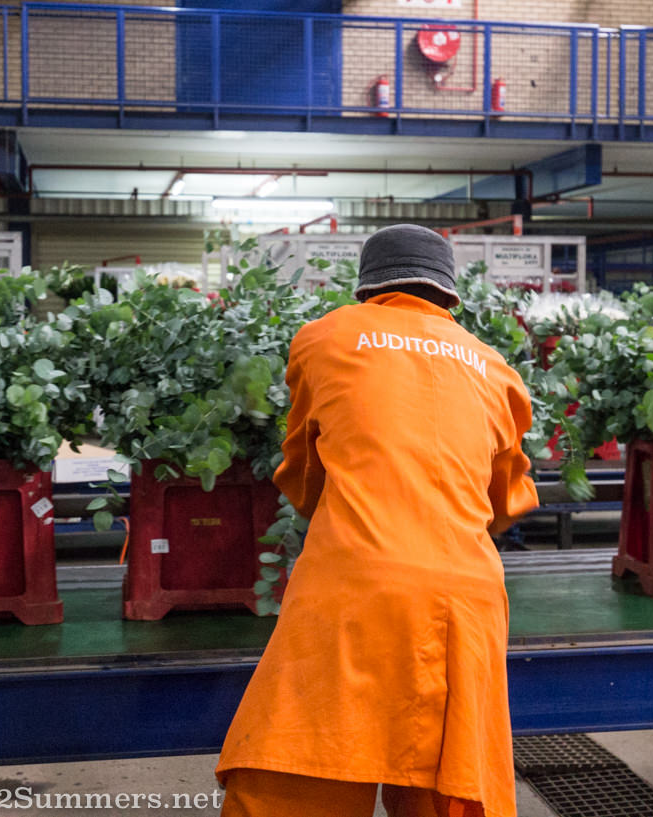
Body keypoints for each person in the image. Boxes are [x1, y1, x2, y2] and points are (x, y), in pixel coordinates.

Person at [216, 223, 539, 817]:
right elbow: (506, 503)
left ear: (367, 289)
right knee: (447, 784)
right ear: (449, 296)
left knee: (301, 770)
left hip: (354, 583)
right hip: (465, 599)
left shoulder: (324, 339)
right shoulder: (496, 369)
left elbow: (305, 471)